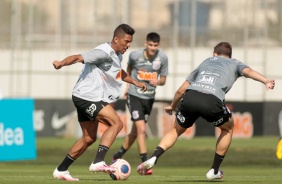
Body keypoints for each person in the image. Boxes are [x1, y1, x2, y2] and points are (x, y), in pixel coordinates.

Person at [137, 42, 275, 180]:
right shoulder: (235, 63)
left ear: (214, 54)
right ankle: (214, 170)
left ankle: (154, 157)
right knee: (228, 128)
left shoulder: (206, 61)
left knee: (176, 130)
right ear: (229, 55)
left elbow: (181, 90)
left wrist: (173, 106)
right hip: (212, 99)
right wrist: (266, 81)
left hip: (191, 96)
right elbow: (249, 72)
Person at [52, 23, 147, 181]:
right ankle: (98, 161)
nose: (128, 45)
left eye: (130, 42)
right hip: (86, 97)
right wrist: (61, 63)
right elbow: (78, 57)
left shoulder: (118, 55)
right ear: (116, 39)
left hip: (87, 97)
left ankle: (61, 170)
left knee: (88, 138)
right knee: (116, 123)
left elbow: (119, 72)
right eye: (126, 42)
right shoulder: (102, 53)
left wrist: (134, 82)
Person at [112, 32, 168, 175]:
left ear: (158, 45)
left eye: (155, 45)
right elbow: (128, 70)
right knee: (142, 129)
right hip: (134, 95)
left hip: (149, 98)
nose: (153, 48)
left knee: (136, 132)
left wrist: (158, 82)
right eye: (150, 45)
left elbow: (163, 80)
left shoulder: (162, 58)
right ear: (145, 44)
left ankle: (117, 156)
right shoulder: (134, 56)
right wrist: (127, 87)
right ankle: (145, 164)